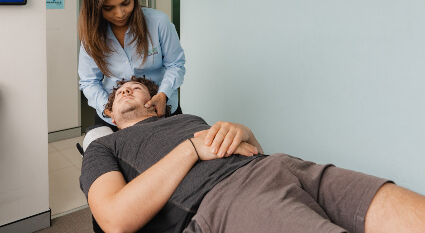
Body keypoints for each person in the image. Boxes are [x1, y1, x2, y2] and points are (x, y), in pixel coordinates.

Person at [80, 77, 425, 233]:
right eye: (119, 92)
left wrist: (244, 133)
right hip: (226, 199)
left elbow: (250, 149)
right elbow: (114, 219)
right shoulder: (104, 146)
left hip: (280, 165)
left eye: (136, 86)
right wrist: (190, 150)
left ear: (156, 102)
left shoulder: (187, 119)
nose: (125, 88)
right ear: (109, 113)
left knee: (405, 207)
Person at [78, 0, 185, 128]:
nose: (119, 13)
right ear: (95, 8)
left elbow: (176, 64)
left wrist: (163, 94)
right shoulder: (92, 36)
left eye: (125, 3)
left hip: (159, 109)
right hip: (112, 116)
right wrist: (108, 109)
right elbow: (89, 82)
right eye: (108, 8)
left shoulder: (158, 23)